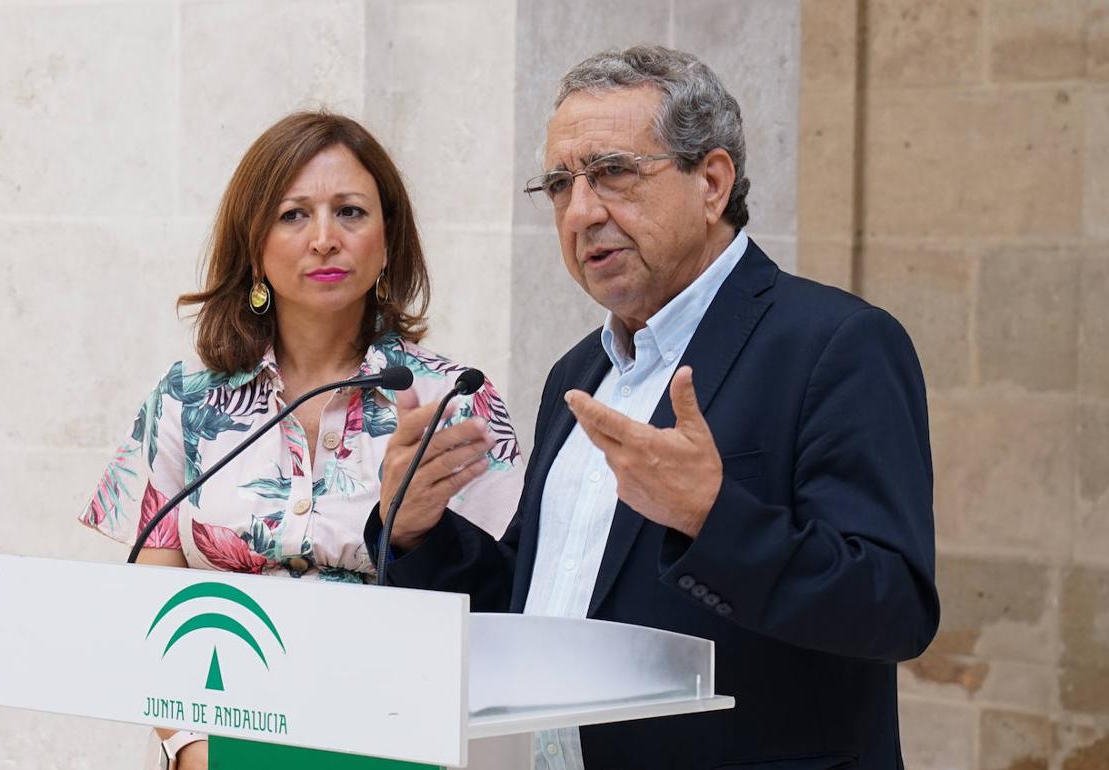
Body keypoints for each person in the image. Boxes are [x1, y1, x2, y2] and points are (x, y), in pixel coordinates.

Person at [369, 45, 939, 769]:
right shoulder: (579, 372)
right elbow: (538, 605)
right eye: (558, 186)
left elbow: (893, 609)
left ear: (712, 181)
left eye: (612, 173)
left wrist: (712, 517)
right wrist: (418, 535)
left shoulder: (836, 344)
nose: (580, 212)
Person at [77, 111, 525, 770]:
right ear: (253, 244)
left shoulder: (455, 402)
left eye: (350, 212)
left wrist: (414, 529)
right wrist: (197, 752)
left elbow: (507, 611)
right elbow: (155, 610)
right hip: (217, 749)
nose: (323, 239)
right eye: (292, 215)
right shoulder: (183, 402)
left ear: (388, 241)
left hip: (399, 745)